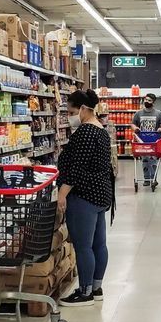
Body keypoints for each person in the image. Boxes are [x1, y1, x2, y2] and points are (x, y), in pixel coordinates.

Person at [57, 89, 114, 306]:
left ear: (83, 109)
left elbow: (76, 170)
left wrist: (62, 194)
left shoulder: (84, 132)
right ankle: (96, 288)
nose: (70, 116)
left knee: (83, 246)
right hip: (100, 193)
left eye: (71, 112)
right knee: (99, 244)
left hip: (83, 196)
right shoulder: (101, 130)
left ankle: (85, 292)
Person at [131, 93, 161, 185]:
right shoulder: (138, 113)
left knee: (153, 160)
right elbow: (133, 123)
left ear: (153, 103)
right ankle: (146, 179)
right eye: (146, 100)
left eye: (149, 100)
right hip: (142, 142)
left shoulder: (158, 113)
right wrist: (135, 128)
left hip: (154, 142)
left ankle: (153, 178)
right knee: (145, 160)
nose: (147, 101)